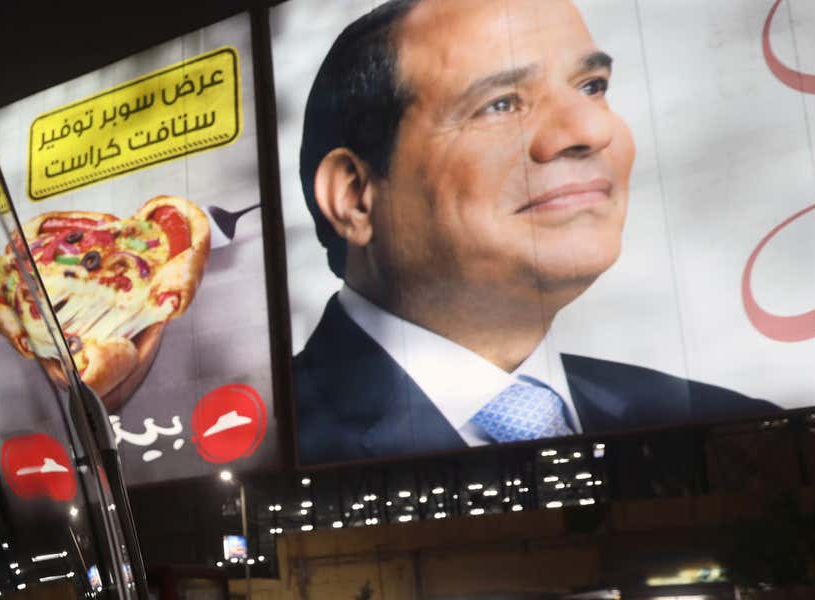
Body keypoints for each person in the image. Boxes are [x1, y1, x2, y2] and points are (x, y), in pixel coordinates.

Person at [291, 0, 777, 466]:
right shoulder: (276, 440)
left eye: (591, 86)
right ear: (354, 195)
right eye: (501, 104)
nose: (590, 129)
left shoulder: (734, 430)